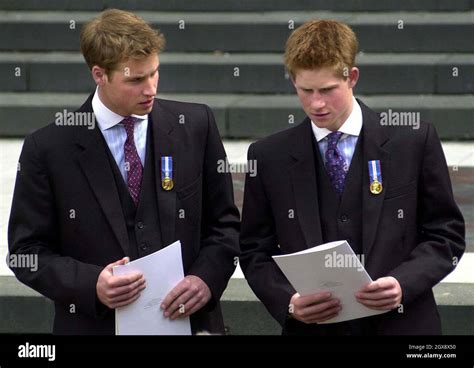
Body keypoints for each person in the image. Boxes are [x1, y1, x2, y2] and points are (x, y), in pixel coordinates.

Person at [8, 9, 240, 335]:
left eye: (154, 73)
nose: (151, 89)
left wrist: (206, 278)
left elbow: (226, 224)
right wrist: (92, 285)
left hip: (191, 326)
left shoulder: (196, 126)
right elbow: (25, 253)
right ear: (99, 75)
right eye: (135, 79)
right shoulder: (46, 148)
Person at [239, 19, 465, 335]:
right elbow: (253, 251)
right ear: (293, 82)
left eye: (328, 90)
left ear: (352, 77)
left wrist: (403, 283)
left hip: (404, 327)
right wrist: (289, 301)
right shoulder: (267, 156)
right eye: (306, 90)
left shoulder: (413, 141)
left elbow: (446, 234)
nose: (316, 103)